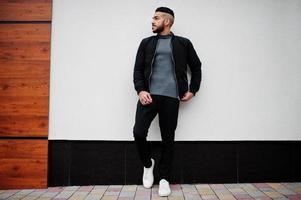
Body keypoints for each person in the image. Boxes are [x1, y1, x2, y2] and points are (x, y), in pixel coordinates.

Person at [132, 6, 202, 197]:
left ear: (167, 21)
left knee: (168, 139)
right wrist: (141, 90)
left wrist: (193, 90)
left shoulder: (183, 43)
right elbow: (138, 70)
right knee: (138, 132)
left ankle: (164, 179)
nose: (152, 21)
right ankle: (148, 165)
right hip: (149, 97)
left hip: (171, 98)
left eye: (156, 18)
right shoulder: (146, 43)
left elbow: (196, 67)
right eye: (152, 18)